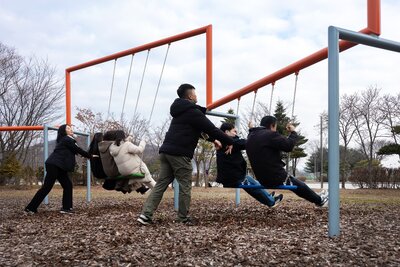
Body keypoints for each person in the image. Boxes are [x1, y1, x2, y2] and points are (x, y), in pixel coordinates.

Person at [137, 83, 234, 225]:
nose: (197, 96)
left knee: (160, 185)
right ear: (190, 96)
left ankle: (145, 215)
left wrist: (214, 140)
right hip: (179, 153)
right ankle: (183, 218)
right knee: (185, 185)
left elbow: (199, 131)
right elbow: (211, 128)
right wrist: (230, 141)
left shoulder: (180, 112)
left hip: (166, 151)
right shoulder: (192, 111)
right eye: (195, 93)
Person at [246, 115, 329, 207]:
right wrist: (293, 132)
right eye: (275, 127)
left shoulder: (251, 136)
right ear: (272, 125)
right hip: (275, 176)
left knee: (295, 182)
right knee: (298, 185)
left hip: (261, 178)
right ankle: (320, 200)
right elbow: (288, 146)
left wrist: (251, 128)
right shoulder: (270, 134)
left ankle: (318, 197)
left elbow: (257, 138)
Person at [25, 124, 91, 214]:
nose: (71, 130)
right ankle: (30, 208)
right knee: (47, 187)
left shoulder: (65, 140)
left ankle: (66, 208)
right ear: (63, 131)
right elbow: (78, 149)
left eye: (71, 128)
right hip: (55, 165)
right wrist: (90, 156)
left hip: (59, 166)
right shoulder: (67, 139)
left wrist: (87, 156)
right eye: (68, 128)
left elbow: (75, 151)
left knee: (67, 185)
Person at [216, 122, 283, 207]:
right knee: (253, 187)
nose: (236, 133)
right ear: (226, 132)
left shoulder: (222, 141)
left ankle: (268, 197)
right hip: (233, 177)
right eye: (234, 131)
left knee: (252, 181)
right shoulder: (231, 142)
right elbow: (249, 142)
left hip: (231, 176)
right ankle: (271, 202)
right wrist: (252, 130)